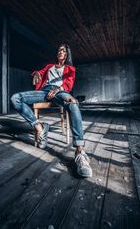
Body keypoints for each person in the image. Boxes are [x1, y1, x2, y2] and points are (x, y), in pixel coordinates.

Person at [11, 44, 92, 177]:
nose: (60, 52)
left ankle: (79, 152)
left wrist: (57, 90)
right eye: (59, 50)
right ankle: (40, 127)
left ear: (66, 54)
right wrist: (36, 73)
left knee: (73, 104)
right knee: (15, 99)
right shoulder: (49, 66)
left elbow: (68, 85)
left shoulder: (70, 68)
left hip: (60, 92)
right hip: (44, 91)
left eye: (63, 51)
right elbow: (39, 73)